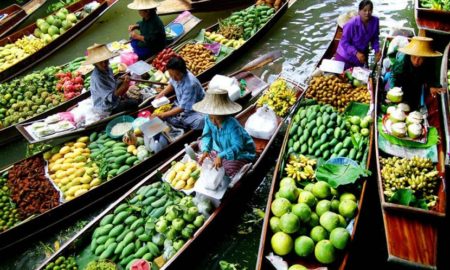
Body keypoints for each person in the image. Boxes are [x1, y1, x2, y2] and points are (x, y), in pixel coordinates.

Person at [194, 89, 256, 177]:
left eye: (217, 119)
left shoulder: (232, 125)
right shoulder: (208, 119)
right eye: (211, 118)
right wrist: (206, 150)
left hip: (241, 152)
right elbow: (207, 136)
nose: (214, 122)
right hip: (221, 147)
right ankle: (215, 155)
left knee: (228, 170)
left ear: (224, 114)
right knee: (201, 144)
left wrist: (221, 155)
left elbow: (238, 146)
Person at [386, 36, 443, 109]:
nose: (416, 61)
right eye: (414, 57)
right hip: (403, 80)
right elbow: (393, 76)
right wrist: (393, 91)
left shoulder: (429, 62)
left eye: (420, 59)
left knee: (413, 104)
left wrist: (431, 86)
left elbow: (430, 75)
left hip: (417, 82)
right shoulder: (401, 61)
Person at [84, 44, 138, 115]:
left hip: (112, 97)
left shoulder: (108, 69)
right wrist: (124, 86)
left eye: (106, 61)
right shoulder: (98, 78)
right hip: (106, 107)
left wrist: (122, 82)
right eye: (101, 62)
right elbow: (111, 98)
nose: (104, 64)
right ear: (95, 64)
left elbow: (113, 84)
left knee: (123, 84)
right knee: (134, 103)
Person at [154, 56, 205, 130]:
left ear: (183, 71)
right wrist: (161, 94)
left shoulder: (190, 85)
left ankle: (182, 123)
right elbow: (172, 84)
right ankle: (178, 120)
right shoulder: (175, 76)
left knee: (200, 122)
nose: (174, 78)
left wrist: (162, 115)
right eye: (171, 75)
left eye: (177, 75)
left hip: (195, 109)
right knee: (170, 112)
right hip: (181, 103)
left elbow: (182, 108)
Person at [335, 0, 381, 70]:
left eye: (370, 10)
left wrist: (377, 50)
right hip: (345, 56)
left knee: (360, 77)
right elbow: (344, 42)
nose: (367, 13)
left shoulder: (375, 21)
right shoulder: (351, 24)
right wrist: (356, 53)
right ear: (359, 11)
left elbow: (375, 38)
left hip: (361, 56)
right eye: (364, 10)